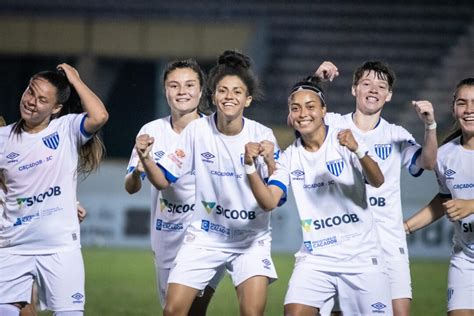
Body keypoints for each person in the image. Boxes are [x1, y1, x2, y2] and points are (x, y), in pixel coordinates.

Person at [135, 50, 280, 316]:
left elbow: (276, 199)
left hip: (250, 239)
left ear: (247, 99)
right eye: (223, 91)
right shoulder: (196, 131)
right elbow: (163, 180)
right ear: (212, 95)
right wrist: (145, 158)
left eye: (237, 92)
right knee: (173, 311)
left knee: (252, 313)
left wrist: (265, 163)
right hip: (205, 235)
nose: (229, 97)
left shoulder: (263, 136)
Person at [246, 75, 391, 315]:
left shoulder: (345, 140)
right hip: (316, 258)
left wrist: (358, 149)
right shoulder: (289, 157)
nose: (303, 113)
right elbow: (269, 201)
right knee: (294, 311)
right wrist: (250, 167)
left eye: (310, 106)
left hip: (362, 258)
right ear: (290, 116)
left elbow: (378, 180)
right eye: (296, 108)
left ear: (324, 110)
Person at [313, 60, 438, 316]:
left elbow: (428, 161)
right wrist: (317, 81)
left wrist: (430, 126)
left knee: (398, 313)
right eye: (366, 83)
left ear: (389, 95)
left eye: (381, 86)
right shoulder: (333, 123)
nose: (373, 90)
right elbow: (299, 115)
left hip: (388, 241)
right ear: (353, 89)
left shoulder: (396, 134)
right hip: (344, 240)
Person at [0, 63, 108, 316]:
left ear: (56, 108)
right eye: (30, 92)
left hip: (60, 247)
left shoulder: (66, 129)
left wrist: (76, 80)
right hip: (13, 245)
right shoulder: (3, 138)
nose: (31, 102)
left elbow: (100, 116)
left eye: (42, 99)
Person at [124, 58, 223, 315]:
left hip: (207, 235)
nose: (182, 91)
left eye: (190, 85)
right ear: (165, 90)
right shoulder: (152, 131)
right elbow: (131, 187)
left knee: (183, 310)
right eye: (174, 85)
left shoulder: (216, 130)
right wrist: (137, 171)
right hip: (167, 234)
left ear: (201, 91)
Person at [404, 78, 474, 316]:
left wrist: (471, 205)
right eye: (462, 103)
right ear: (454, 108)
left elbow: (465, 205)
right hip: (466, 259)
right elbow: (444, 200)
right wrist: (406, 227)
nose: (469, 110)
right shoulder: (444, 155)